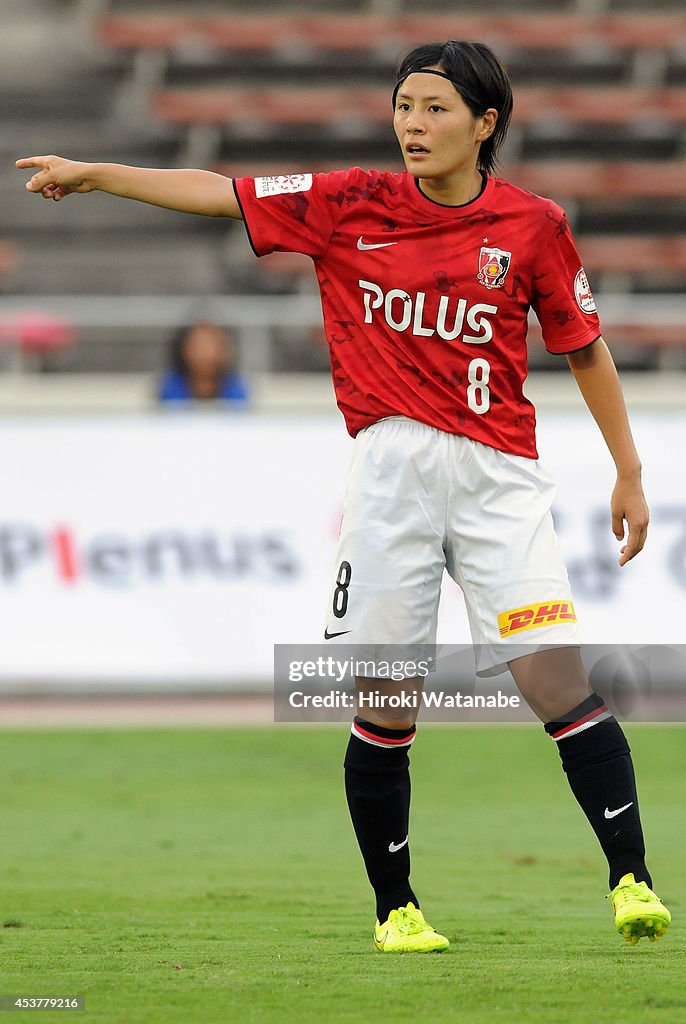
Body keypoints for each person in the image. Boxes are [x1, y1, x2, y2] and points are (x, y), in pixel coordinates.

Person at [16, 38, 671, 954]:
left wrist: (629, 470)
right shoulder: (349, 203)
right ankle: (395, 910)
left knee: (554, 679)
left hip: (499, 479)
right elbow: (222, 191)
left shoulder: (534, 226)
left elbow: (584, 348)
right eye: (405, 105)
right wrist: (99, 174)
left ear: (486, 125)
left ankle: (632, 879)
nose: (413, 123)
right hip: (392, 476)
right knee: (387, 695)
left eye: (437, 108)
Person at [158, 319, 248, 403]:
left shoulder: (234, 386)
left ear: (224, 351)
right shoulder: (171, 385)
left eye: (211, 345)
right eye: (198, 345)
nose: (205, 353)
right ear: (184, 350)